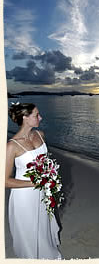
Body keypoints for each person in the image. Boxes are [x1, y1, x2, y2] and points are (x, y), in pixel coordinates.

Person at [5, 102, 62, 259]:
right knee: (29, 230)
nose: (40, 117)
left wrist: (51, 181)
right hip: (24, 196)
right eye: (36, 115)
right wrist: (34, 183)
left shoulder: (40, 135)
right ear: (25, 118)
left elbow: (45, 162)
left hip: (43, 191)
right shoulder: (11, 146)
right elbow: (5, 181)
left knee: (43, 224)